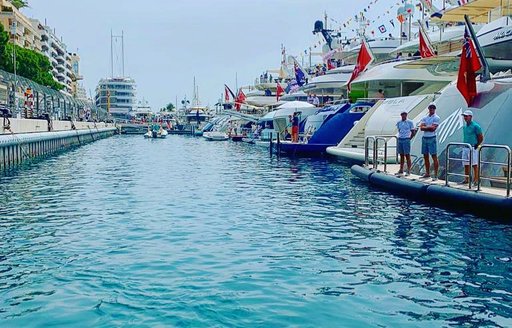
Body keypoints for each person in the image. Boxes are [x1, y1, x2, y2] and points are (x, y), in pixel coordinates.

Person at [461, 110, 484, 185]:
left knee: (474, 164)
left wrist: (477, 144)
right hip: (466, 147)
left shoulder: (476, 126)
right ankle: (466, 178)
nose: (465, 118)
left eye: (466, 116)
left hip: (473, 147)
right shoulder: (465, 127)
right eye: (464, 116)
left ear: (470, 117)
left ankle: (476, 179)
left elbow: (480, 136)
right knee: (466, 164)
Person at [420, 103, 441, 180]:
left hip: (431, 137)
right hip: (425, 137)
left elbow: (433, 128)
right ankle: (427, 173)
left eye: (433, 108)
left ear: (434, 109)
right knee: (425, 156)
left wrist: (426, 127)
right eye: (430, 108)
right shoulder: (425, 117)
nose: (432, 109)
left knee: (434, 156)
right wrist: (428, 127)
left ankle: (435, 175)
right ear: (428, 108)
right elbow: (421, 128)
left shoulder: (436, 117)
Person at [395, 111, 417, 176]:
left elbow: (413, 131)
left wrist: (409, 138)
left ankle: (408, 170)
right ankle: (401, 169)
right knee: (401, 155)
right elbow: (399, 130)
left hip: (406, 139)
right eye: (402, 114)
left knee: (407, 155)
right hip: (400, 139)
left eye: (404, 114)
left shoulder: (410, 122)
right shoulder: (399, 122)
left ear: (406, 115)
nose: (403, 115)